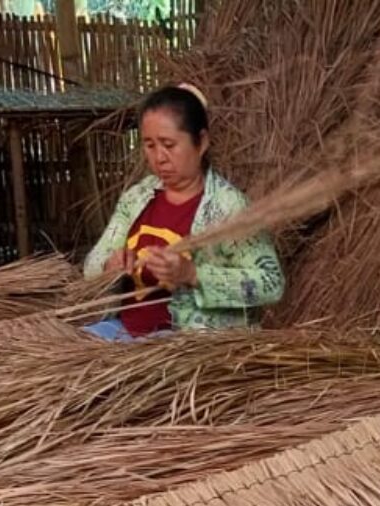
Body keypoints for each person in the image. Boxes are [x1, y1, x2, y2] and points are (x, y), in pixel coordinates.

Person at [78, 85, 283, 339]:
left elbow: (270, 283)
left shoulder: (228, 208)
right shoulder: (137, 198)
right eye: (149, 145)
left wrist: (193, 274)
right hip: (124, 332)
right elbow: (91, 266)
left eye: (169, 144)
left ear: (202, 142)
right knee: (66, 346)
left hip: (189, 342)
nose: (159, 157)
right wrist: (110, 264)